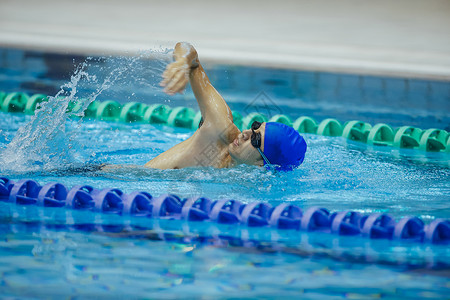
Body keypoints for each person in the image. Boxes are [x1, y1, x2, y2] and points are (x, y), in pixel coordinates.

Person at [145, 42, 307, 171]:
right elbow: (189, 51)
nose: (245, 133)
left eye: (256, 139)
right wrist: (183, 62)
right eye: (255, 127)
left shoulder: (246, 183)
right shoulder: (220, 129)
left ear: (261, 164)